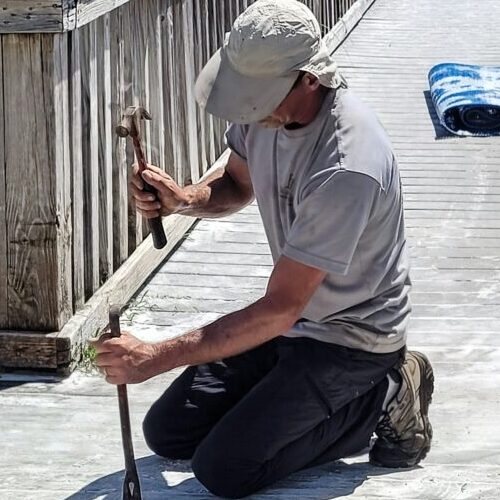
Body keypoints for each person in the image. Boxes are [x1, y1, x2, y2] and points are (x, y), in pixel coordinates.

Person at [93, 0, 434, 497]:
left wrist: (155, 356)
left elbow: (279, 307)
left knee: (225, 470)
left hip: (351, 341)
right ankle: (287, 400)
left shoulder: (346, 166)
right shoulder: (268, 113)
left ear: (310, 79)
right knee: (170, 433)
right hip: (297, 325)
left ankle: (389, 391)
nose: (250, 107)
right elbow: (236, 182)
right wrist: (183, 199)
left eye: (261, 95)